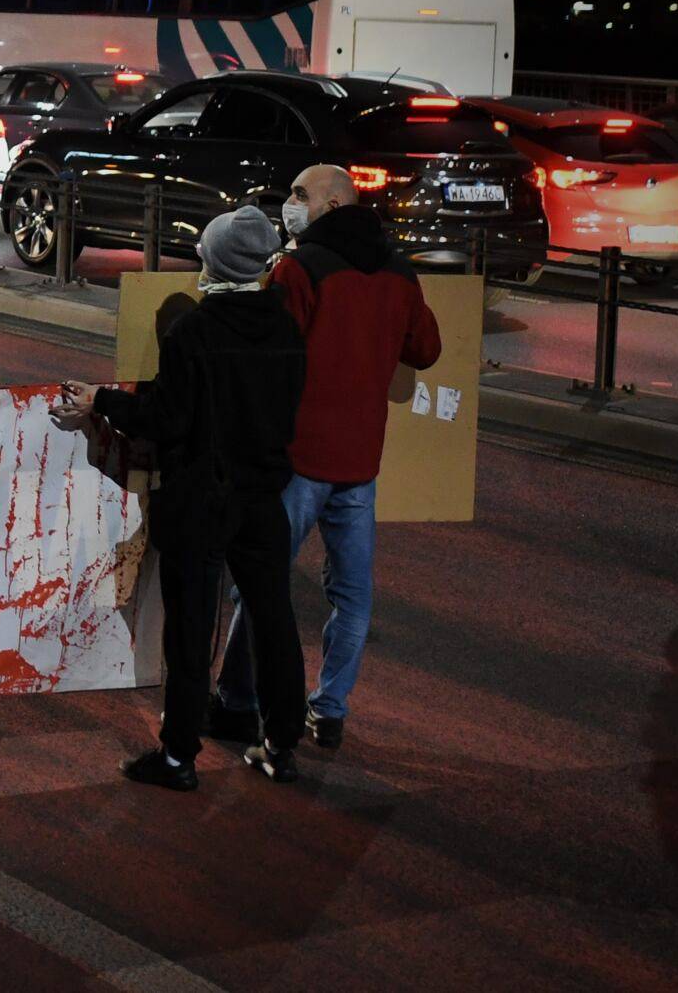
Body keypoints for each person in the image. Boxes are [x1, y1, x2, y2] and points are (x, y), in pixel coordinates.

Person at [69, 205, 311, 788]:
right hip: (263, 495)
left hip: (201, 498)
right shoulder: (285, 328)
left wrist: (101, 400)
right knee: (273, 620)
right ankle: (280, 743)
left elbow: (165, 420)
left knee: (190, 627)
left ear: (217, 261)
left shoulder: (193, 332)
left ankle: (178, 756)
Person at [210, 164, 441, 751]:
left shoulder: (301, 266)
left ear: (334, 204)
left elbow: (273, 350)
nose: (290, 203)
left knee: (263, 584)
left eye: (299, 193)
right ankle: (331, 709)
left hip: (300, 459)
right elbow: (428, 349)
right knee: (354, 596)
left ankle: (238, 697)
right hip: (362, 462)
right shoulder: (398, 269)